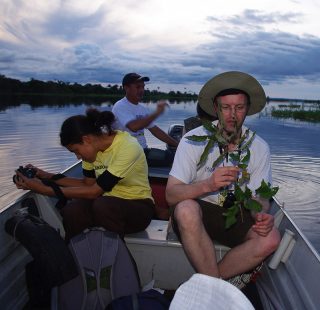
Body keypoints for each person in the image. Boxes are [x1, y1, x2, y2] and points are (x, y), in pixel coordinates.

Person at [165, 71, 280, 280]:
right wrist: (208, 185)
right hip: (198, 213)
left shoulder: (259, 147)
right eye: (226, 107)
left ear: (247, 109)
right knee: (186, 208)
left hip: (236, 215)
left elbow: (259, 197)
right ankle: (217, 288)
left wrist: (261, 215)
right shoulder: (192, 140)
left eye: (239, 107)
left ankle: (212, 283)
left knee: (270, 238)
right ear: (216, 108)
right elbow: (171, 195)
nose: (232, 115)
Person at [14, 108, 155, 241]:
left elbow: (94, 192)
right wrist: (48, 177)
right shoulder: (91, 153)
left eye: (76, 150)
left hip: (139, 208)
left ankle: (113, 257)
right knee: (72, 211)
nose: (77, 157)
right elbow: (87, 184)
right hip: (106, 205)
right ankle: (73, 258)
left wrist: (45, 190)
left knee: (102, 205)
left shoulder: (128, 147)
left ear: (87, 139)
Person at [112, 72, 179, 167]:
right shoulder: (120, 106)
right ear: (126, 88)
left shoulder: (142, 109)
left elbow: (156, 131)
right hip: (126, 153)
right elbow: (133, 126)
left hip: (142, 151)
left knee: (174, 156)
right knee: (171, 159)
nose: (141, 90)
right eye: (137, 87)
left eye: (143, 87)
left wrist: (177, 144)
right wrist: (157, 112)